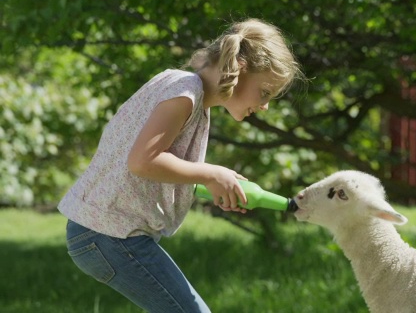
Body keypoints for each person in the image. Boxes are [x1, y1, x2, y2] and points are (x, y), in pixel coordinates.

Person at [58, 18, 304, 312]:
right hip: (108, 233)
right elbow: (143, 161)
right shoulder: (186, 93)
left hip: (104, 232)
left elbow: (152, 168)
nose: (264, 106)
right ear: (240, 67)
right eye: (264, 93)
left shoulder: (183, 89)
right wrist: (213, 172)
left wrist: (210, 186)